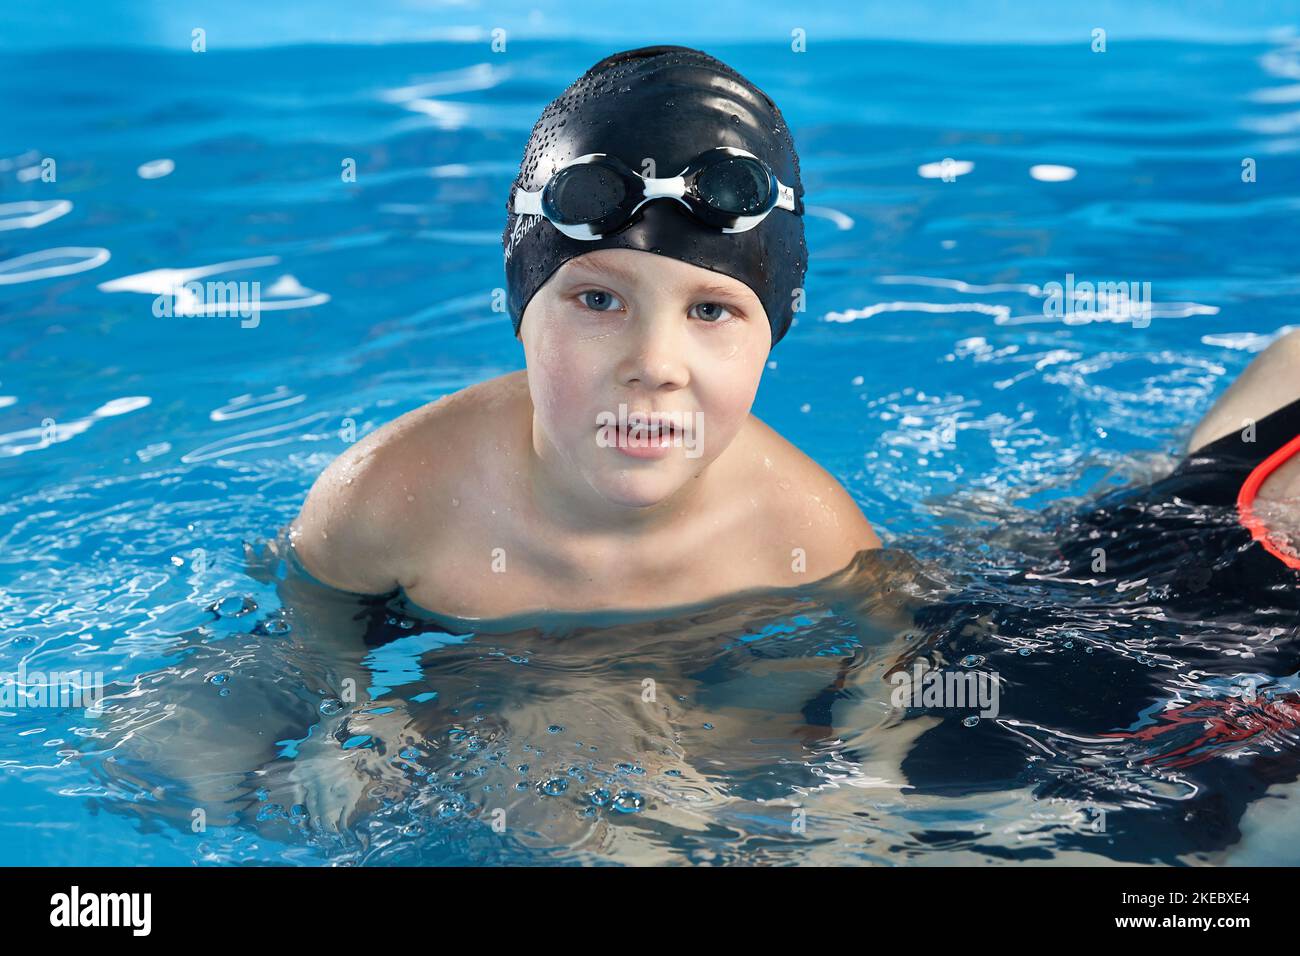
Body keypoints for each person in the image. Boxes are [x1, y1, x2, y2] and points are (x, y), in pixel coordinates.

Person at [289, 45, 879, 621]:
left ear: (771, 336)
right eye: (600, 301)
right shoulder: (381, 503)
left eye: (709, 311)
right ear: (522, 315)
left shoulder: (815, 545)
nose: (654, 364)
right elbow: (293, 685)